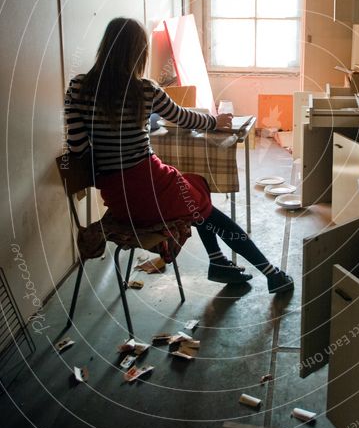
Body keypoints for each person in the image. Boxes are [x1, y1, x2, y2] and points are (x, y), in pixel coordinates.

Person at [64, 17, 294, 294]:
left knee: (195, 189)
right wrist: (215, 122)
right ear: (139, 52)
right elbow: (183, 117)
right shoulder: (145, 90)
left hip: (118, 197)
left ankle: (219, 261)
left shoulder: (78, 87)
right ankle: (270, 272)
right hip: (150, 185)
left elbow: (77, 147)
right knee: (208, 210)